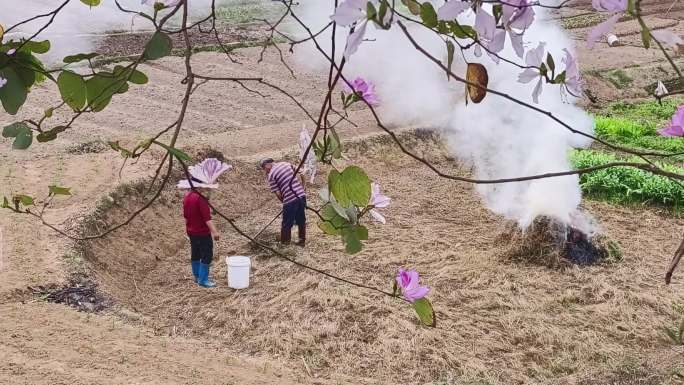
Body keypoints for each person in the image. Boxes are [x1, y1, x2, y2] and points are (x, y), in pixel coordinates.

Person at [178, 158, 232, 288]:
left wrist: (187, 229)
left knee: (195, 253)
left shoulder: (187, 197)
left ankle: (197, 276)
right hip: (202, 232)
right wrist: (215, 232)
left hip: (191, 231)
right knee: (207, 254)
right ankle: (203, 279)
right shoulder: (201, 199)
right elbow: (207, 218)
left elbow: (186, 217)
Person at [259, 158, 307, 246]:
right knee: (301, 220)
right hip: (301, 196)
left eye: (264, 168)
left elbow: (278, 193)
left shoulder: (271, 175)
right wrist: (303, 187)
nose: (265, 171)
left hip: (289, 200)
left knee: (286, 224)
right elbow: (302, 172)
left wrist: (284, 202)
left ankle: (285, 246)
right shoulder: (286, 164)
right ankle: (302, 242)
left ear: (267, 165)